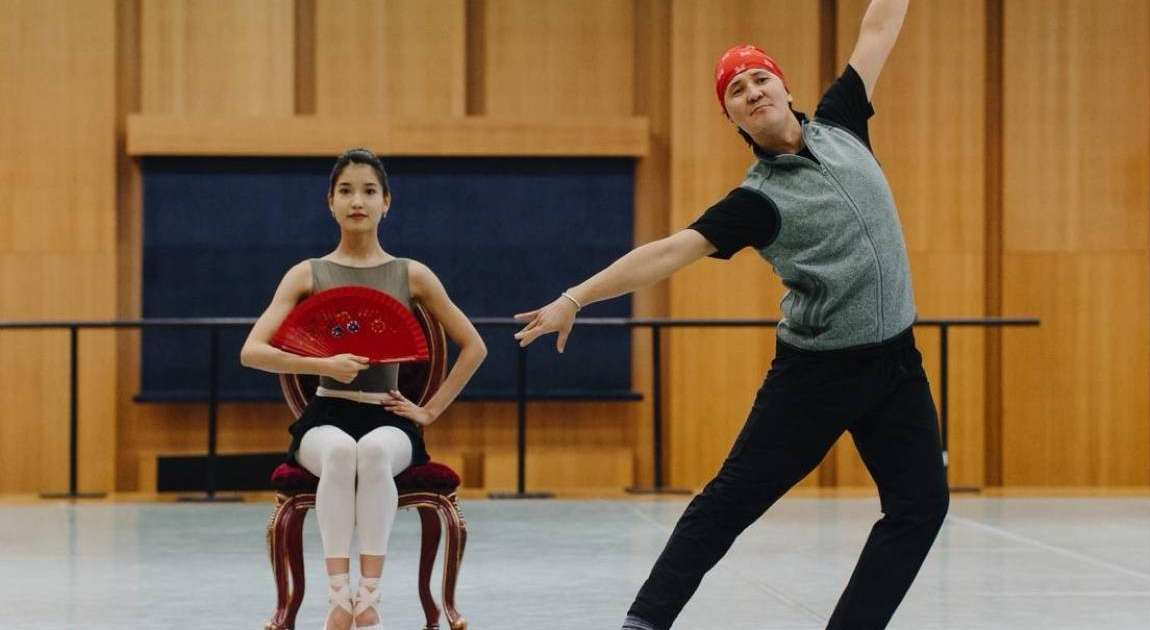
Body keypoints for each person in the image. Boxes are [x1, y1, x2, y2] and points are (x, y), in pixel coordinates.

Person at [515, 1, 948, 628]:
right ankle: (644, 621)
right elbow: (668, 252)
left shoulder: (843, 121)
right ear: (734, 119)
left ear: (785, 88)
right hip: (816, 375)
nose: (752, 92)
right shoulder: (756, 200)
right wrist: (573, 297)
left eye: (760, 78)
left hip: (895, 366)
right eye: (736, 92)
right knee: (730, 502)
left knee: (920, 506)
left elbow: (878, 28)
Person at [241, 148, 486, 630]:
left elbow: (474, 346)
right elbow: (253, 351)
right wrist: (320, 363)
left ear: (386, 202)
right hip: (325, 414)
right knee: (339, 454)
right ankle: (339, 598)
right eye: (346, 191)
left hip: (388, 416)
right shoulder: (306, 273)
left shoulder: (412, 274)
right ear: (330, 202)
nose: (358, 201)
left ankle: (368, 597)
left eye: (369, 191)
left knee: (372, 454)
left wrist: (429, 412)